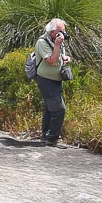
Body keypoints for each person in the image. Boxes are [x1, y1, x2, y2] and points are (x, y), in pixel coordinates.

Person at [31, 18, 71, 147]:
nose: (63, 34)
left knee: (49, 108)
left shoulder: (58, 40)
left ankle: (45, 136)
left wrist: (65, 58)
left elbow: (59, 56)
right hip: (46, 80)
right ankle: (52, 138)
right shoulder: (42, 42)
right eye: (60, 31)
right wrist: (58, 45)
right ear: (52, 32)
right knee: (59, 109)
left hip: (56, 79)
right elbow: (52, 61)